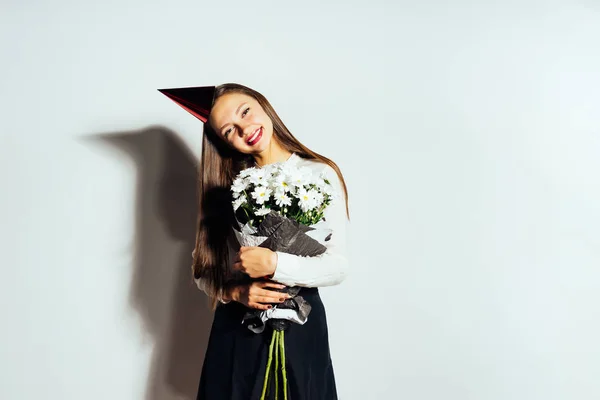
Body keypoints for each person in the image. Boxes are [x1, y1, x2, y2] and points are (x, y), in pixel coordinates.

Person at [158, 83, 350, 400]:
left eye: (245, 111)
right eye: (229, 130)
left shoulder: (320, 173)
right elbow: (203, 268)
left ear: (262, 103)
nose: (245, 129)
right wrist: (236, 291)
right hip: (239, 326)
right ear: (223, 142)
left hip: (301, 326)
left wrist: (275, 264)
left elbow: (338, 266)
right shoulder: (228, 186)